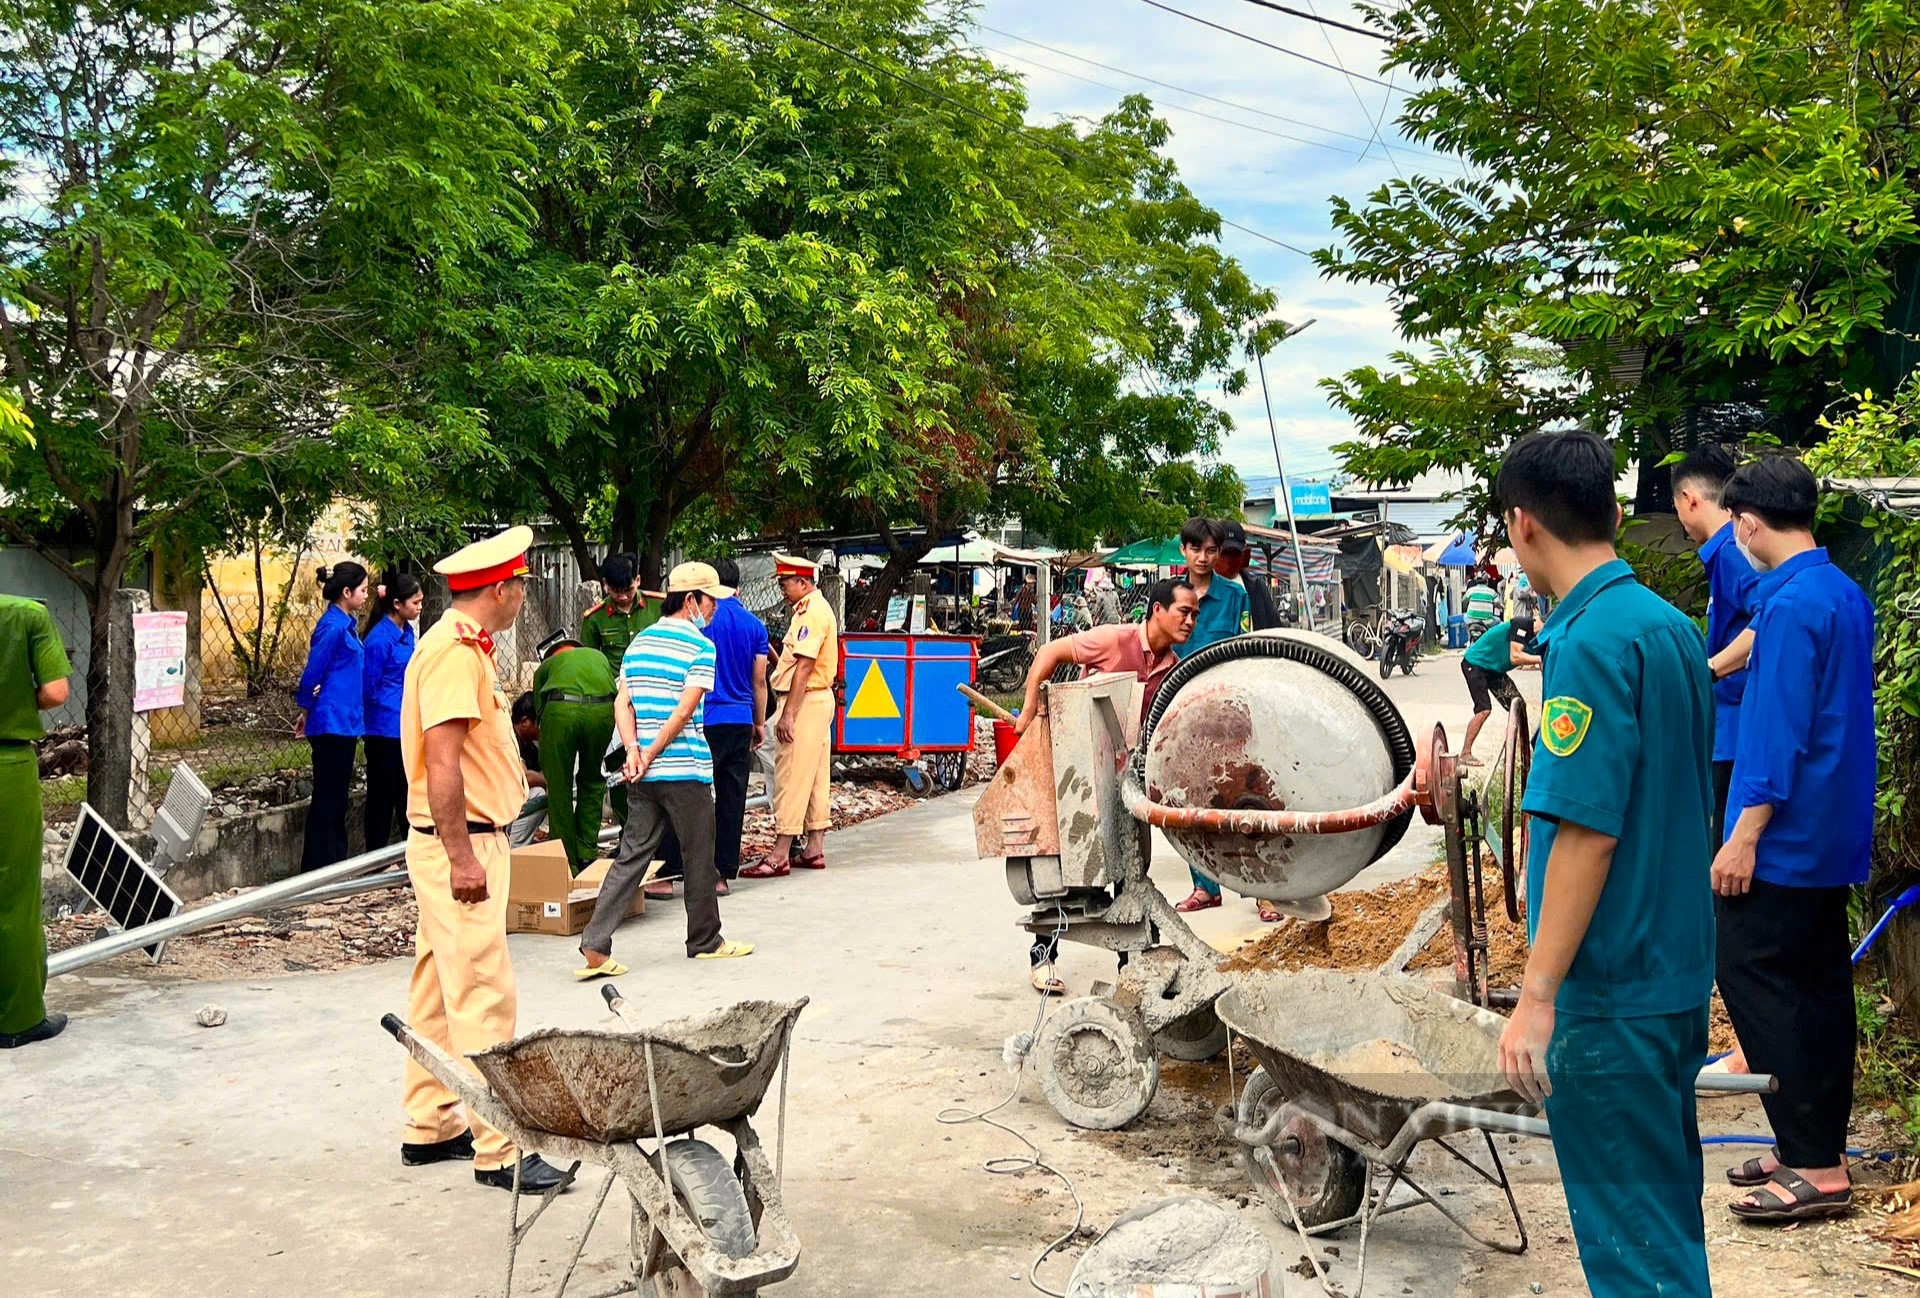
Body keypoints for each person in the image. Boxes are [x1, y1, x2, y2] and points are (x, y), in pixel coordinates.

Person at [1495, 431, 1716, 1298]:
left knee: (1635, 1253)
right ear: (1616, 516)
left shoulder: (1586, 645)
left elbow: (1589, 832)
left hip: (1612, 987)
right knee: (1663, 1221)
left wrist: (1537, 996)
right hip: (1672, 971)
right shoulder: (1668, 627)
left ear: (1522, 526)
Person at [1712, 458, 1874, 1225]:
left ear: (1746, 521)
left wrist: (1742, 839)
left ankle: (1815, 1163)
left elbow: (1775, 736)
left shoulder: (1791, 609)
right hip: (1832, 828)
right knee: (1817, 985)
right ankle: (1811, 1143)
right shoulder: (1836, 592)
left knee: (1752, 973)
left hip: (1786, 834)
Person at [397, 525, 566, 1194]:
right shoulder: (453, 654)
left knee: (439, 989)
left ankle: (431, 1123)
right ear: (502, 588)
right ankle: (501, 1150)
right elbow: (441, 764)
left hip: (459, 838)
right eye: (522, 584)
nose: (524, 593)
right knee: (483, 992)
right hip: (459, 844)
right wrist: (464, 857)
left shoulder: (463, 648)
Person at [1014, 578, 1198, 991]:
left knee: (1132, 870)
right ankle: (1043, 957)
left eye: (1194, 616)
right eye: (1183, 612)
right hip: (1080, 773)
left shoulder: (1174, 667)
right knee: (1069, 870)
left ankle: (1129, 965)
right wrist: (1029, 709)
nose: (1190, 622)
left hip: (1129, 780)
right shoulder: (1114, 640)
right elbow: (1049, 652)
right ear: (1156, 611)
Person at [577, 562, 753, 973]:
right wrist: (651, 752)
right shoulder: (699, 648)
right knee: (698, 855)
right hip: (685, 770)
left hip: (643, 774)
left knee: (632, 855)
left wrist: (635, 752)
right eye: (710, 602)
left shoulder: (639, 643)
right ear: (691, 601)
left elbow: (623, 703)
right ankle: (705, 939)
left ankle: (595, 943)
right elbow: (683, 714)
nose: (713, 611)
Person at [1672, 444, 1762, 847]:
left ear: (1690, 499)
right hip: (1728, 727)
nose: (1681, 522)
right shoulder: (1724, 552)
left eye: (1677, 509)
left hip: (1739, 728)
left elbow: (1769, 621)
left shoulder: (1732, 551)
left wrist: (1709, 670)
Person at [0, 596, 74, 1050]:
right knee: (13, 896)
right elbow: (55, 691)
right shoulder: (26, 613)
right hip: (7, 767)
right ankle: (19, 1018)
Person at [742, 555, 840, 879]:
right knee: (814, 776)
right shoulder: (815, 609)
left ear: (802, 582)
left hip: (805, 700)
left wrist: (789, 714)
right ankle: (814, 847)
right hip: (816, 699)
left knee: (792, 775)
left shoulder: (811, 612)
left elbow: (804, 666)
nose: (782, 590)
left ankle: (780, 853)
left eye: (785, 583)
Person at [1172, 515, 1250, 911]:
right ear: (1183, 550)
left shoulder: (1236, 598)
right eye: (1196, 549)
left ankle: (1259, 889)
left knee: (1240, 793)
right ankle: (1204, 886)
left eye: (1211, 550)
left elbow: (1246, 649)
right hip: (1181, 712)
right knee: (1187, 795)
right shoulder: (1171, 598)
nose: (1203, 557)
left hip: (1225, 710)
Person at [699, 557, 769, 890]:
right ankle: (722, 875)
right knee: (732, 796)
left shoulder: (701, 621)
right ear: (737, 586)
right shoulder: (755, 626)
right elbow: (759, 682)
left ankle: (671, 873)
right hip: (741, 719)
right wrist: (759, 723)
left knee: (690, 792)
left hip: (705, 719)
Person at [295, 562, 368, 872]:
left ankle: (335, 864)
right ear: (346, 592)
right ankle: (317, 867)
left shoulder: (346, 624)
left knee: (337, 798)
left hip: (346, 722)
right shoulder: (333, 626)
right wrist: (304, 708)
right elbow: (314, 671)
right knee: (328, 798)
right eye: (363, 590)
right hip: (331, 722)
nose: (366, 595)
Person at [528, 629, 616, 874]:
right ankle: (587, 852)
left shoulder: (547, 667)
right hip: (603, 711)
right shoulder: (598, 658)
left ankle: (566, 863)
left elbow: (539, 713)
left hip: (561, 711)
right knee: (592, 780)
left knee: (560, 789)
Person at [362, 572, 423, 851]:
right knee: (381, 795)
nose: (420, 606)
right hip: (383, 728)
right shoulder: (379, 639)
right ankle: (375, 853)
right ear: (397, 604)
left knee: (406, 792)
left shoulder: (407, 634)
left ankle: (409, 851)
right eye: (415, 602)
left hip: (405, 725)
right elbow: (368, 685)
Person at [1458, 615, 1540, 765]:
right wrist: (1541, 658)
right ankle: (1465, 753)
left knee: (1518, 706)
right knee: (1483, 710)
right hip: (1475, 663)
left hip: (1494, 670)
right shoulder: (1521, 624)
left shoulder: (1540, 642)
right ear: (1540, 621)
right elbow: (1515, 656)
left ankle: (1519, 753)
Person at [1216, 520, 1281, 631]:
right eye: (1225, 553)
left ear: (1245, 555)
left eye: (1235, 553)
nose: (1229, 560)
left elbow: (1274, 629)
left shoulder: (1256, 588)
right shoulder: (1202, 591)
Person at [506, 693, 550, 848]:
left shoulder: (531, 748)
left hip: (507, 809)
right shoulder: (508, 736)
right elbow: (523, 777)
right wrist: (549, 781)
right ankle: (515, 849)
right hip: (493, 806)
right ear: (525, 722)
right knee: (538, 793)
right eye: (539, 723)